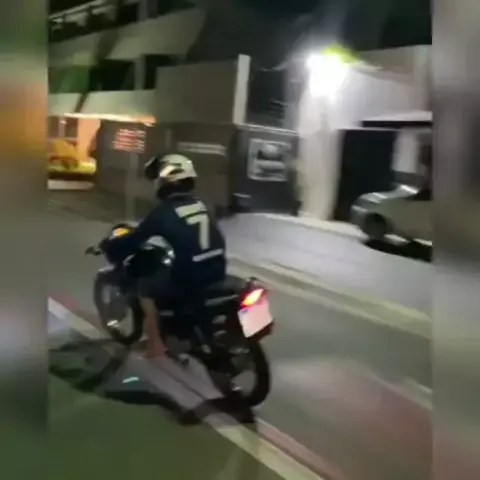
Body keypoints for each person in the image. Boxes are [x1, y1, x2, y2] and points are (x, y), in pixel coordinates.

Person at [102, 153, 227, 359]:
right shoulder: (202, 205)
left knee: (145, 290)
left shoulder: (163, 212)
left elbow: (135, 240)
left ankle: (156, 345)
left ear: (165, 183)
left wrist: (111, 247)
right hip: (217, 269)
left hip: (189, 277)